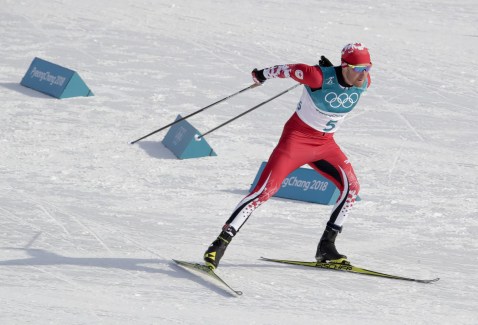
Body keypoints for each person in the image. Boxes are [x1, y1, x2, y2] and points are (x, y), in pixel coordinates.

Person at [204, 43, 373, 269]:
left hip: (325, 145)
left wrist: (338, 73)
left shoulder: (364, 81)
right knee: (264, 191)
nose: (364, 74)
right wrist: (260, 75)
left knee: (352, 188)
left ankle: (326, 248)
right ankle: (219, 244)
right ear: (345, 66)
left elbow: (343, 83)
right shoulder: (315, 76)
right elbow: (287, 69)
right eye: (359, 68)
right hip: (295, 142)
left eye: (368, 67)